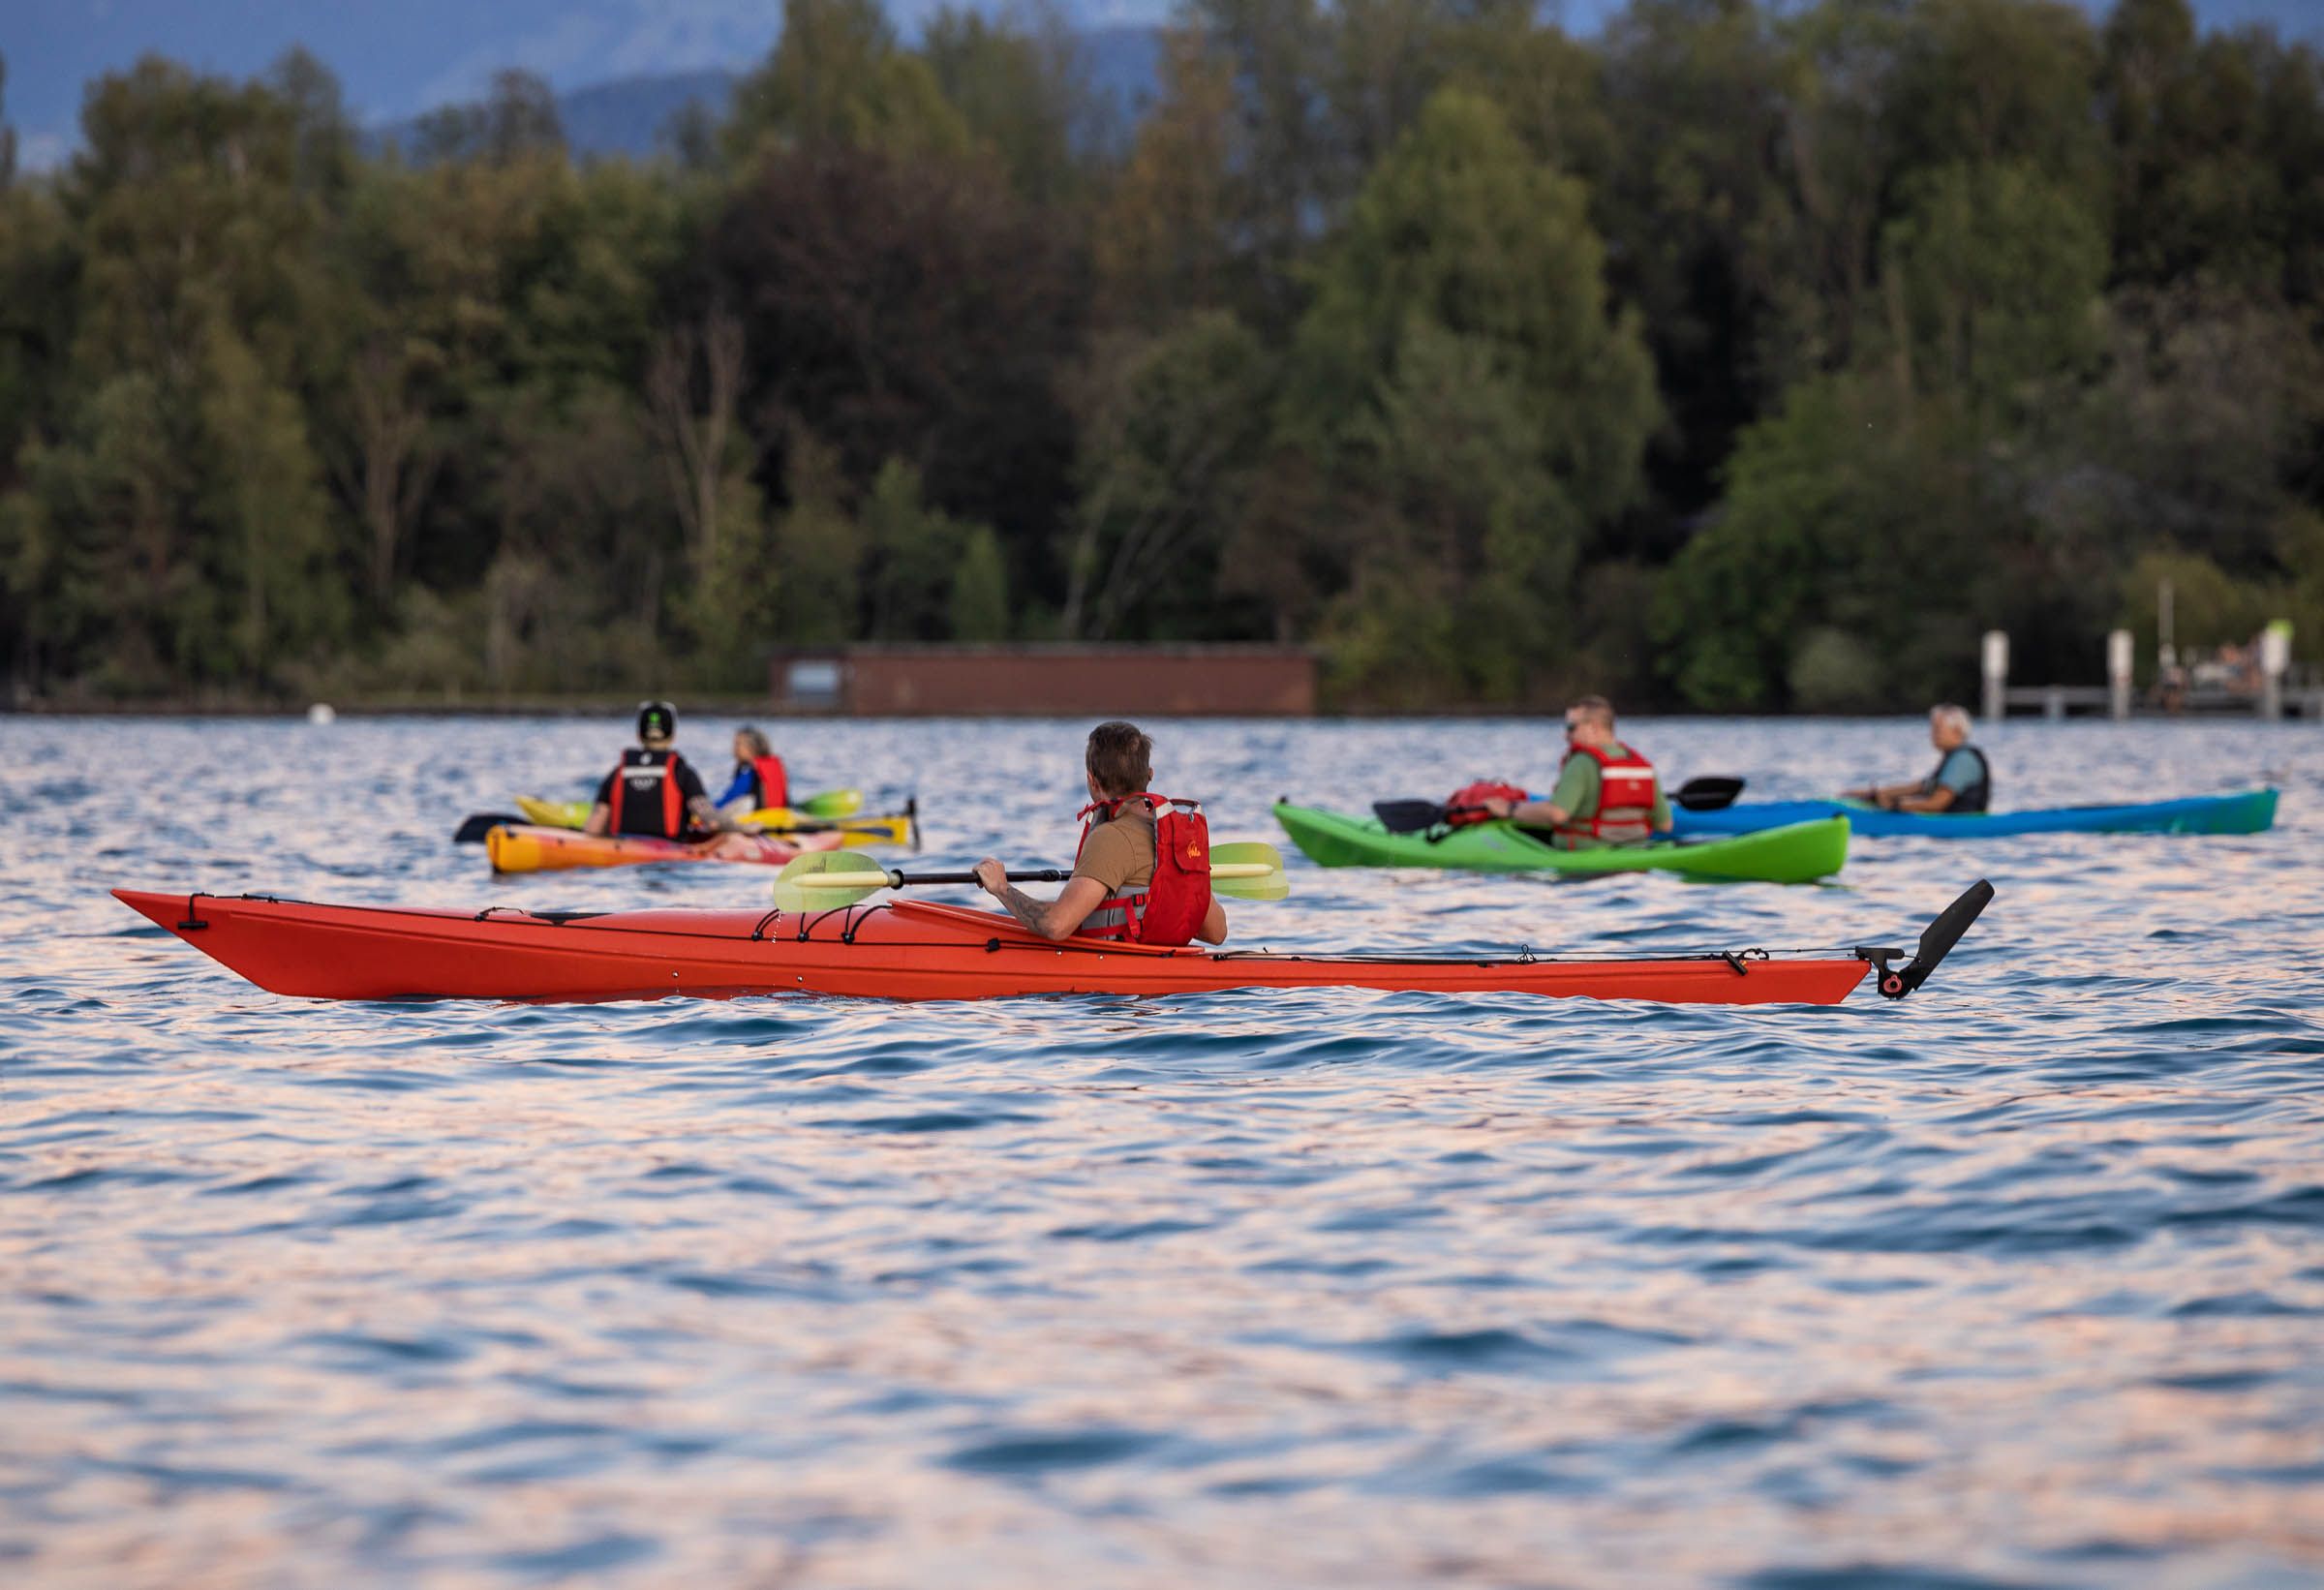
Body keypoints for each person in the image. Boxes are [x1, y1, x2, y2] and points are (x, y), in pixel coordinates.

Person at [971, 720, 1229, 945]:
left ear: (1092, 780)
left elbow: (1055, 926)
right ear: (1149, 776)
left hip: (1121, 989)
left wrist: (1002, 889)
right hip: (1171, 991)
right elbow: (1217, 932)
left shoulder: (1112, 838)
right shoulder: (1174, 836)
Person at [1477, 695, 1671, 848]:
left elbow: (1557, 814)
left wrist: (1510, 809)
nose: (1566, 735)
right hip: (1634, 849)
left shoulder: (1583, 762)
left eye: (1571, 727)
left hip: (1586, 854)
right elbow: (1664, 825)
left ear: (1593, 728)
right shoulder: (1641, 764)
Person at [584, 701, 758, 856]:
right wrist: (744, 828)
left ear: (639, 735)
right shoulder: (681, 772)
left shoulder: (617, 773)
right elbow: (711, 821)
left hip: (621, 853)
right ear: (673, 736)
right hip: (668, 855)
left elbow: (593, 828)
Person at [1844, 704, 1991, 813]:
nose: (1932, 735)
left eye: (1937, 729)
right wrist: (1873, 794)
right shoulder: (1953, 757)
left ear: (1957, 731)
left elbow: (1936, 804)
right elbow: (1922, 787)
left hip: (1959, 825)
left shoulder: (1963, 759)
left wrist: (1895, 806)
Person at [715, 726, 790, 813]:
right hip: (777, 814)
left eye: (738, 744)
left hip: (755, 818)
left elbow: (731, 798)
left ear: (752, 747)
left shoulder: (750, 772)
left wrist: (710, 809)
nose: (733, 749)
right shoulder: (774, 767)